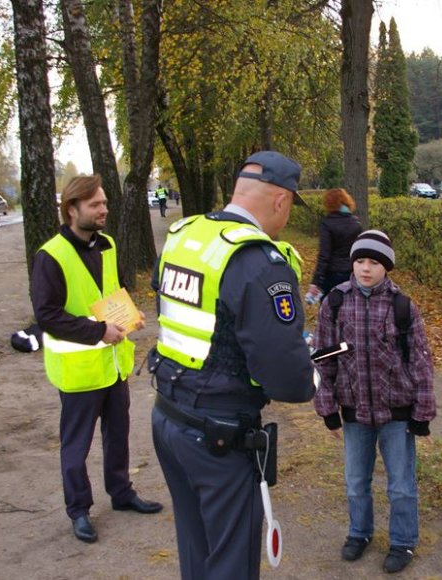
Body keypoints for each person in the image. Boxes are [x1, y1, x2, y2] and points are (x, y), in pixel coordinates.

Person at [150, 150, 316, 580]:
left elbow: (176, 309)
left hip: (169, 415)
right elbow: (289, 379)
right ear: (281, 201)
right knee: (230, 562)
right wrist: (310, 372)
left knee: (197, 547)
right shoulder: (259, 261)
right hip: (218, 435)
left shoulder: (186, 235)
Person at [31, 175, 163, 544]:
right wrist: (99, 331)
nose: (104, 209)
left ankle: (121, 494)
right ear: (72, 209)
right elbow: (47, 316)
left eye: (104, 203)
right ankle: (79, 511)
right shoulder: (51, 256)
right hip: (79, 372)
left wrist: (125, 317)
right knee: (76, 446)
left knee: (118, 435)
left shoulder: (106, 244)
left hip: (114, 366)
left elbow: (112, 292)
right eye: (95, 205)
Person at [312, 230, 436, 574]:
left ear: (387, 267)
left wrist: (422, 412)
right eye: (360, 261)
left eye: (375, 262)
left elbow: (420, 362)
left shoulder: (402, 307)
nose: (366, 268)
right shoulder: (335, 304)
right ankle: (359, 532)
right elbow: (323, 359)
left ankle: (403, 541)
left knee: (400, 484)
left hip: (396, 413)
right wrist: (328, 410)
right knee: (355, 481)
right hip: (354, 413)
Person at [306, 188, 362, 304]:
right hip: (352, 273)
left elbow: (324, 255)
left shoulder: (327, 224)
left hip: (332, 274)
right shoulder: (357, 224)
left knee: (329, 311)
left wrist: (316, 281)